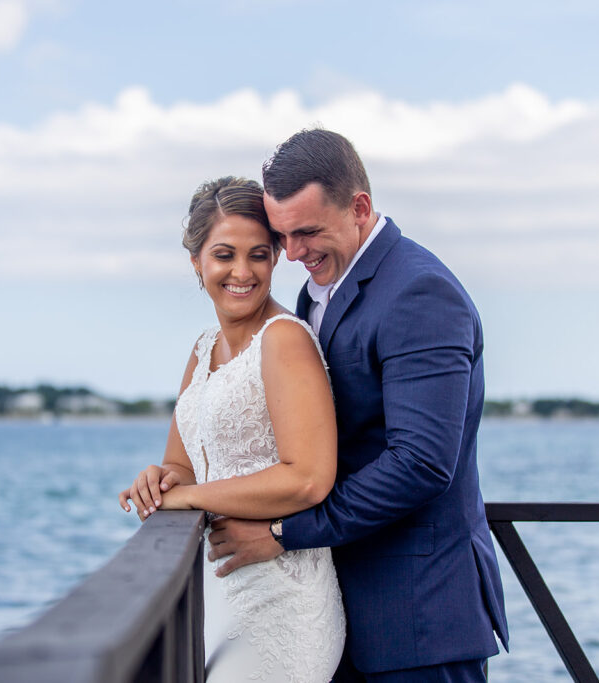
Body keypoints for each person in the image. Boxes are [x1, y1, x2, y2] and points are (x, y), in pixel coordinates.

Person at [201, 129, 510, 682]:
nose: (292, 253)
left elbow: (421, 462)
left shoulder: (419, 292)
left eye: (307, 232)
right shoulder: (317, 291)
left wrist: (280, 533)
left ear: (360, 207)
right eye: (283, 235)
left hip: (419, 617)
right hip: (339, 610)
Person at [119, 176, 346, 683]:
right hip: (218, 590)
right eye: (224, 254)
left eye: (259, 255)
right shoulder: (202, 349)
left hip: (282, 601)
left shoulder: (285, 340)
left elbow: (309, 477)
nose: (242, 272)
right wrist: (158, 481)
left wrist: (189, 499)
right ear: (197, 262)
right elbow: (183, 464)